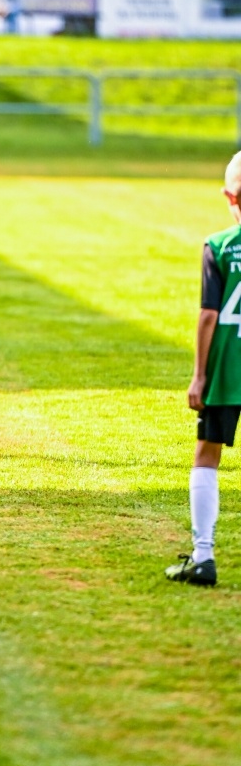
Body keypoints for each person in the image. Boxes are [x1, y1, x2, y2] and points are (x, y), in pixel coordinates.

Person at [166, 150, 241, 587]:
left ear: (228, 195)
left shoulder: (219, 247)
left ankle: (203, 556)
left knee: (207, 456)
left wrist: (199, 375)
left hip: (229, 371)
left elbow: (209, 316)